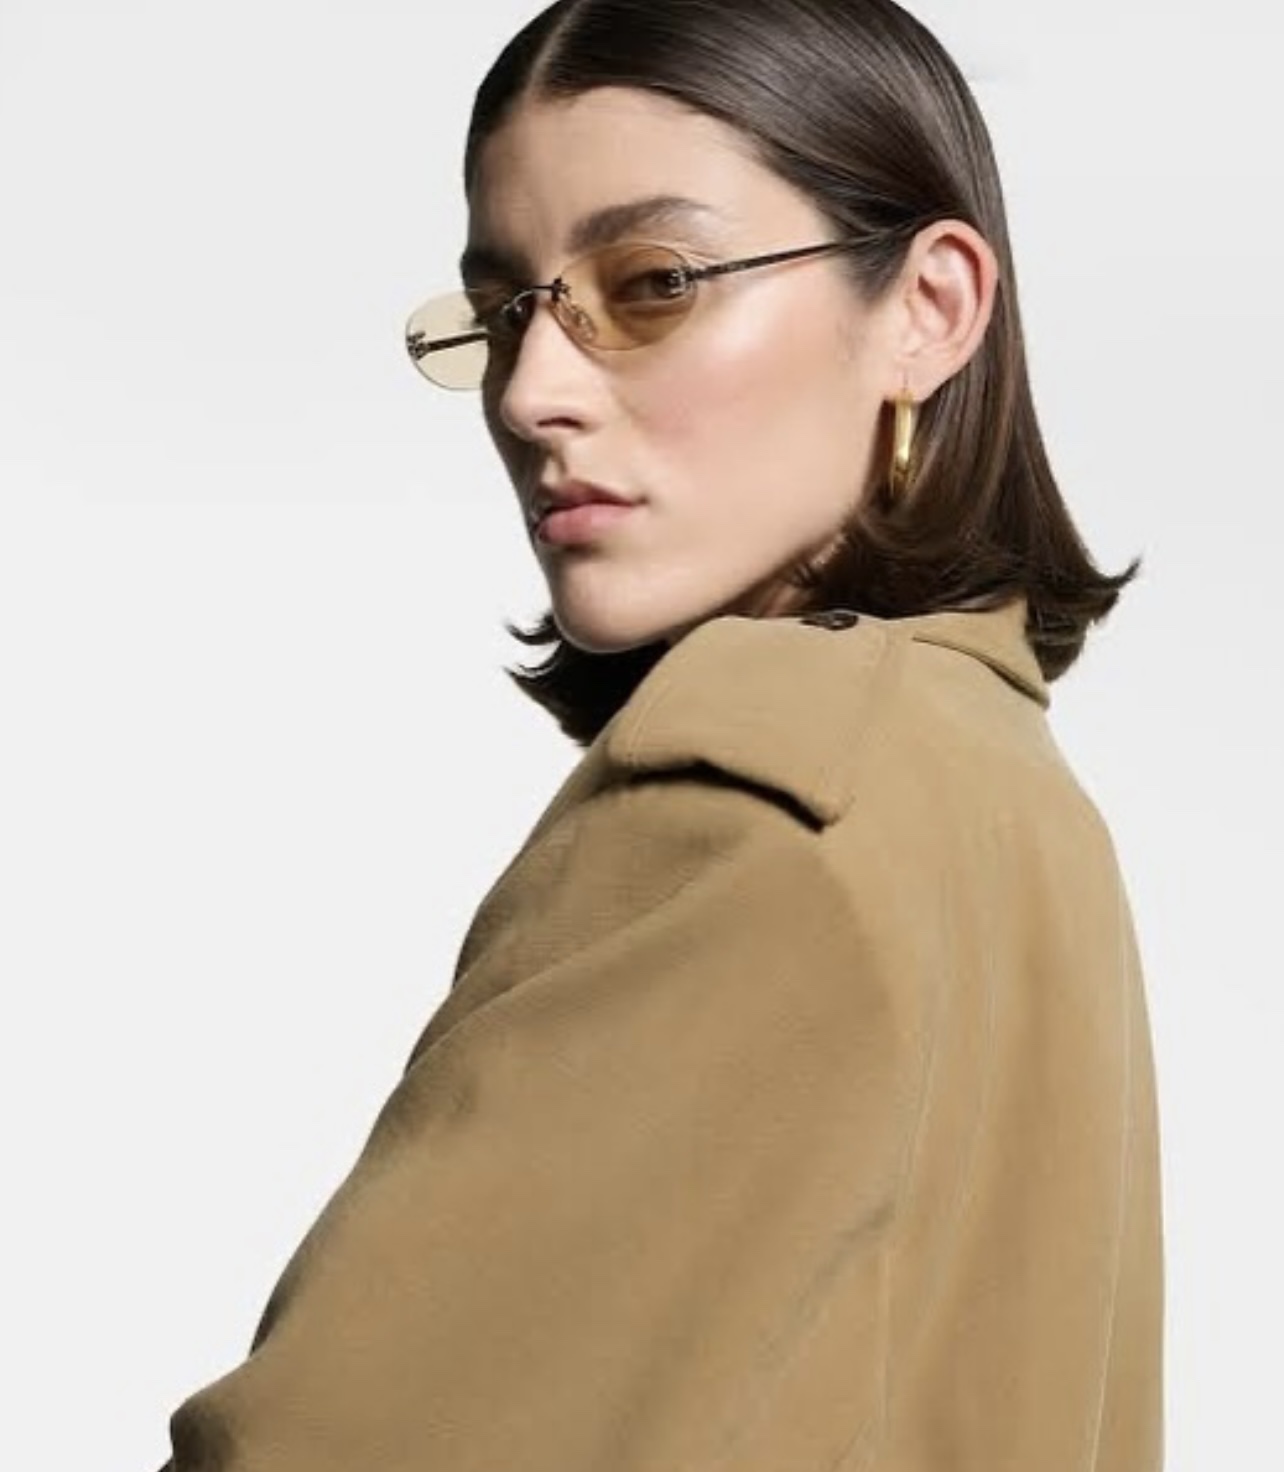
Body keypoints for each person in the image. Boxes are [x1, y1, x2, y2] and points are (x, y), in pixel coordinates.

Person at [158, 1, 1164, 1468]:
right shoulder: (995, 785)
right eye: (506, 312)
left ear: (928, 308)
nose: (531, 393)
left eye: (652, 284)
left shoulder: (763, 803)